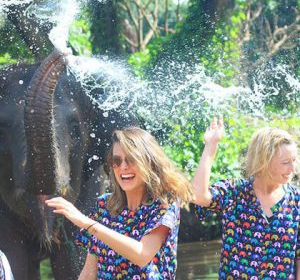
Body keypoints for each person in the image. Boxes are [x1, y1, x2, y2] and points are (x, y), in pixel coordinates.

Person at [46, 127, 194, 279]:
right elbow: (89, 272)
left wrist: (87, 223)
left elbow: (142, 255)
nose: (123, 167)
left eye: (131, 159)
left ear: (149, 162)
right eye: (116, 161)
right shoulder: (104, 206)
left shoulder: (164, 204)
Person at [192, 117, 300, 279]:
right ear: (264, 161)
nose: (293, 168)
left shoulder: (296, 200)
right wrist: (211, 147)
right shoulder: (234, 192)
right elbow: (198, 196)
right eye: (285, 162)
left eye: (294, 160)